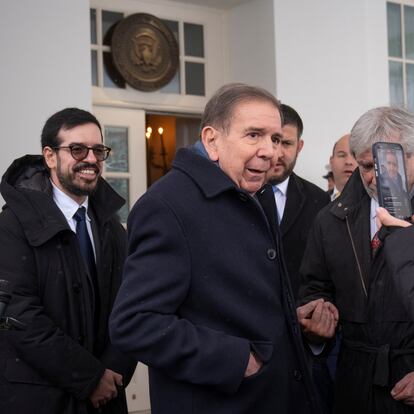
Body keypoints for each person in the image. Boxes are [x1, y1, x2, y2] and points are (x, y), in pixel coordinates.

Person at [109, 83, 321, 414]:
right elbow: (135, 323)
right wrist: (239, 361)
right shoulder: (167, 206)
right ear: (211, 140)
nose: (270, 151)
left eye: (276, 139)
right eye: (254, 135)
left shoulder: (254, 192)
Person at [0, 108, 136, 414]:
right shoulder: (12, 225)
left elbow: (131, 305)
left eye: (98, 150)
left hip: (107, 398)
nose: (90, 159)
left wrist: (113, 372)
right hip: (39, 399)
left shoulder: (113, 228)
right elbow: (18, 317)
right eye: (77, 149)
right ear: (50, 156)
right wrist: (90, 378)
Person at [298, 106, 414, 413]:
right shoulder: (330, 219)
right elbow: (315, 285)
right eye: (365, 166)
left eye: (388, 165)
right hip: (354, 381)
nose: (375, 178)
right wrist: (317, 316)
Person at [266, 103, 330, 298]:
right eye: (274, 141)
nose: (278, 153)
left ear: (299, 146)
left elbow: (324, 270)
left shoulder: (319, 200)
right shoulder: (237, 194)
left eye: (286, 143)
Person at [329, 134, 357, 200]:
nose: (348, 162)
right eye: (342, 155)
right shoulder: (318, 201)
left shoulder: (376, 203)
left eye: (355, 155)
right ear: (331, 161)